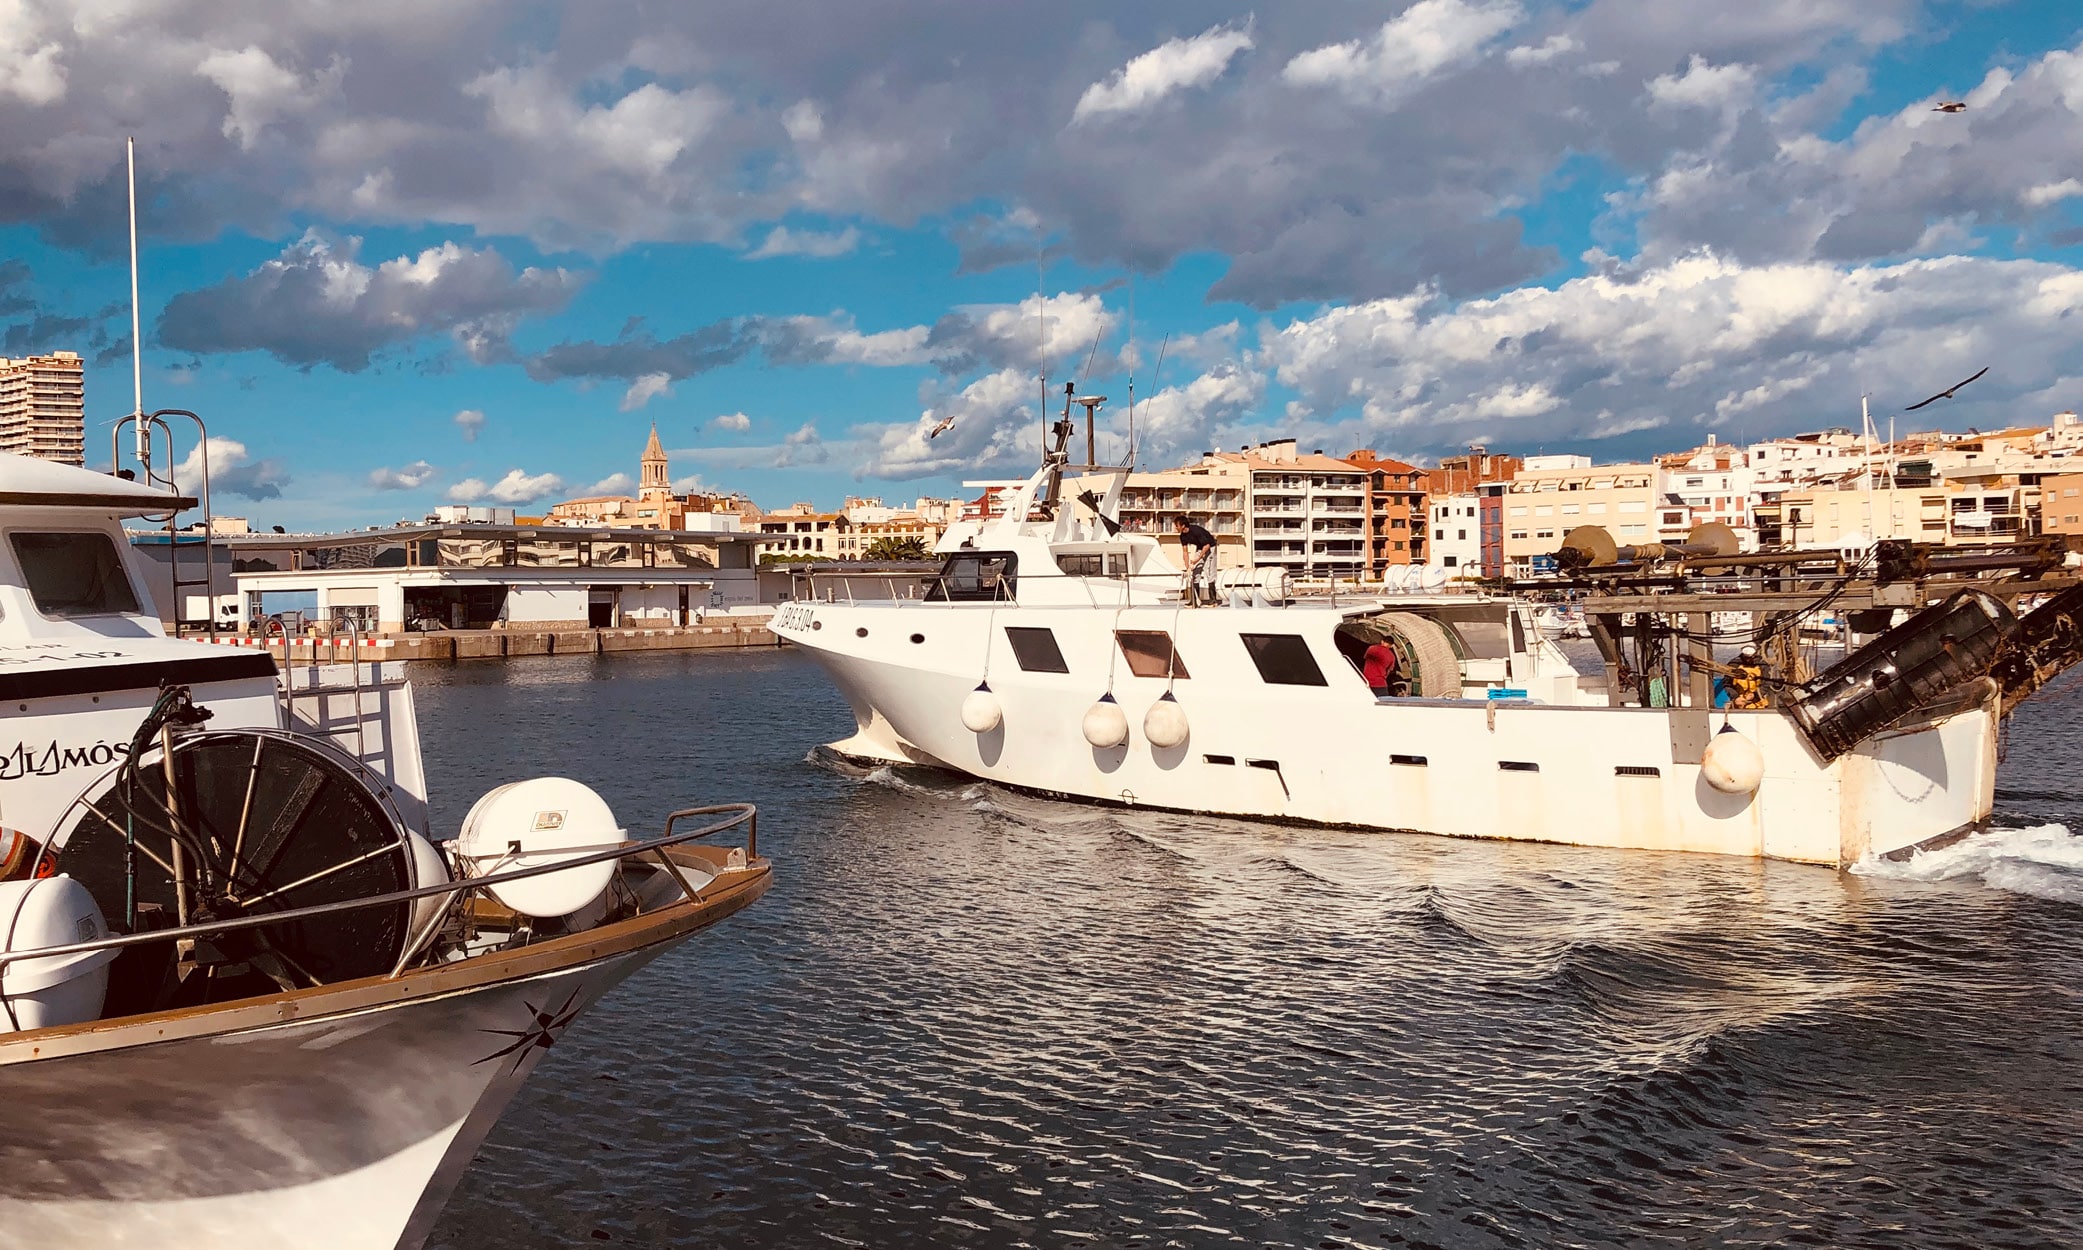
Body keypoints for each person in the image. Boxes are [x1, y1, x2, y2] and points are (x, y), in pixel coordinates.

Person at [1174, 516, 1217, 605]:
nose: (1176, 528)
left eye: (1177, 525)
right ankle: (1194, 600)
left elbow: (1207, 545)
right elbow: (1185, 552)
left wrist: (1197, 559)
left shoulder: (1196, 531)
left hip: (1210, 547)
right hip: (1200, 548)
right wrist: (1188, 568)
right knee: (1195, 574)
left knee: (1209, 572)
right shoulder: (1182, 536)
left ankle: (1213, 600)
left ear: (1183, 526)